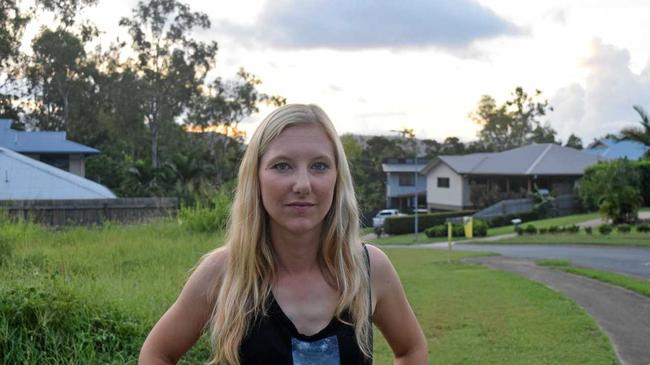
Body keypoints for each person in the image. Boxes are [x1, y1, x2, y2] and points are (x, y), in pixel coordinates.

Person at [139, 104, 428, 364]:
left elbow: (411, 349)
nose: (302, 184)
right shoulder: (223, 272)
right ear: (257, 178)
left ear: (337, 178)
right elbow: (157, 353)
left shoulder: (369, 269)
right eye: (282, 166)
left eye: (319, 166)